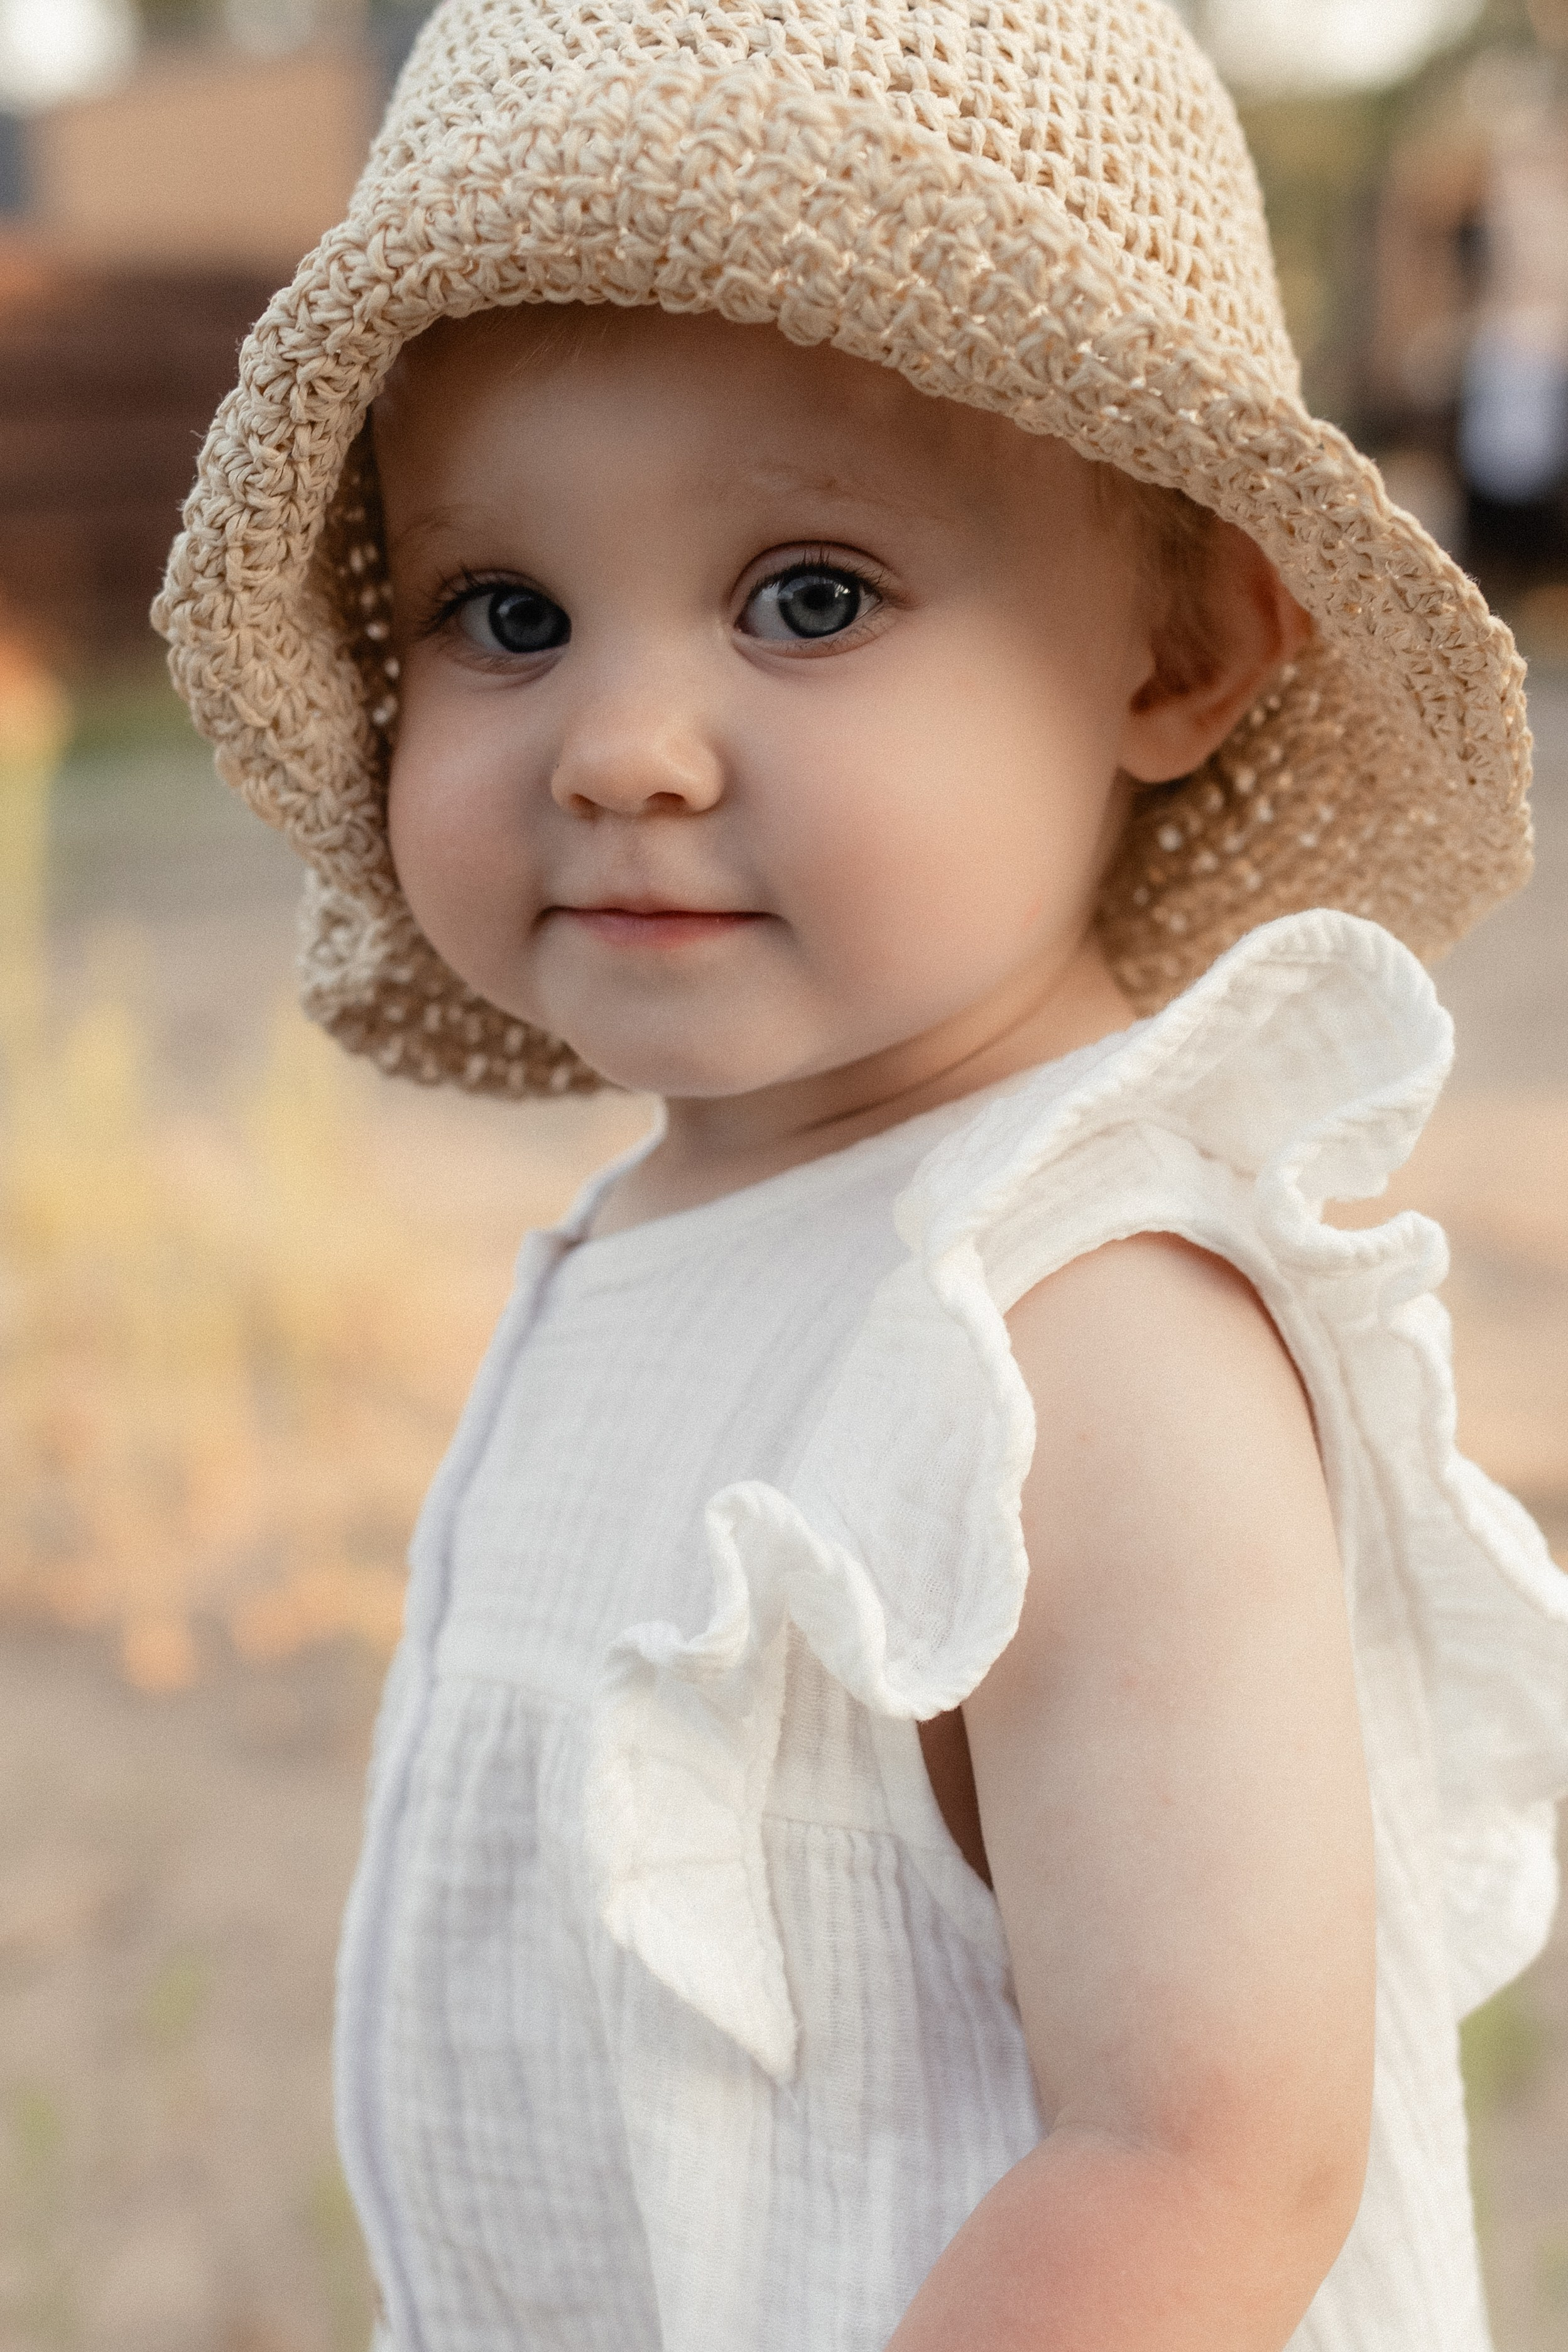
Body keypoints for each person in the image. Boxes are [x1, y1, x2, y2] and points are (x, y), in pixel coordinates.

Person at [154, 1, 1568, 2345]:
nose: (618, 745)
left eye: (808, 594)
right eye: (504, 614)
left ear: (1184, 646)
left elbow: (1213, 2156)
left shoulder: (1091, 1325)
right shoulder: (663, 1242)